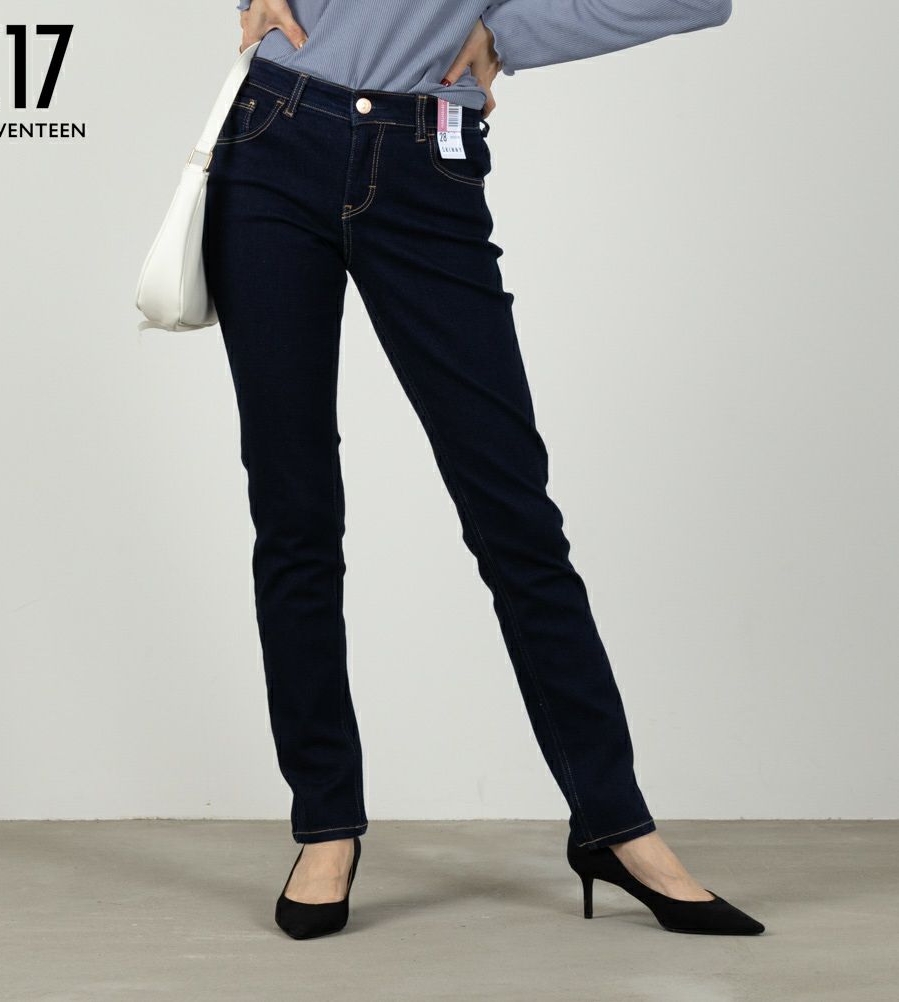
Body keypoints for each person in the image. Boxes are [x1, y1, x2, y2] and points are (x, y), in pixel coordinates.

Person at [202, 0, 764, 939]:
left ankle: (616, 824)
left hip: (428, 161)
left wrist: (512, 36)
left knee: (515, 519)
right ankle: (326, 823)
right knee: (294, 511)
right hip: (275, 134)